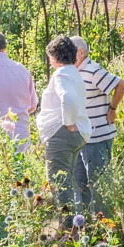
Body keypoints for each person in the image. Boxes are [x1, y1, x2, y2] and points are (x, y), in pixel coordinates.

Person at [69, 36, 124, 215]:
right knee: (80, 183)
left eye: (69, 51)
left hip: (97, 137)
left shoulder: (92, 70)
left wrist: (112, 108)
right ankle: (87, 223)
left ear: (80, 52)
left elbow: (122, 85)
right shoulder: (76, 71)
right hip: (83, 138)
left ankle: (104, 225)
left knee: (99, 185)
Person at [36, 35, 89, 210]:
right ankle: (76, 224)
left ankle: (67, 230)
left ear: (54, 56)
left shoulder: (61, 74)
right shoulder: (74, 73)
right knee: (68, 180)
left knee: (58, 183)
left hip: (62, 133)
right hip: (75, 133)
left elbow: (68, 97)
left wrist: (69, 123)